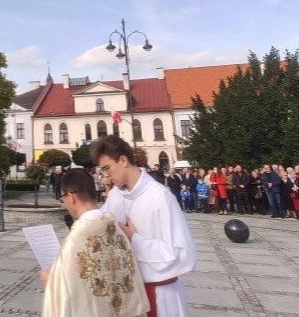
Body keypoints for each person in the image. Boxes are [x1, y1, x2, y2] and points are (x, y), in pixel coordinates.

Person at [93, 135, 196, 317]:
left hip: (160, 295)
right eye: (102, 171)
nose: (105, 176)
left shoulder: (160, 197)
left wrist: (135, 239)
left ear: (123, 160)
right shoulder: (116, 195)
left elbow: (183, 255)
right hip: (128, 292)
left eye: (107, 168)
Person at [41, 168, 148, 317]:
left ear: (71, 197)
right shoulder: (116, 229)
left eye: (63, 198)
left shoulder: (75, 239)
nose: (65, 203)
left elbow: (69, 296)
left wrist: (50, 281)